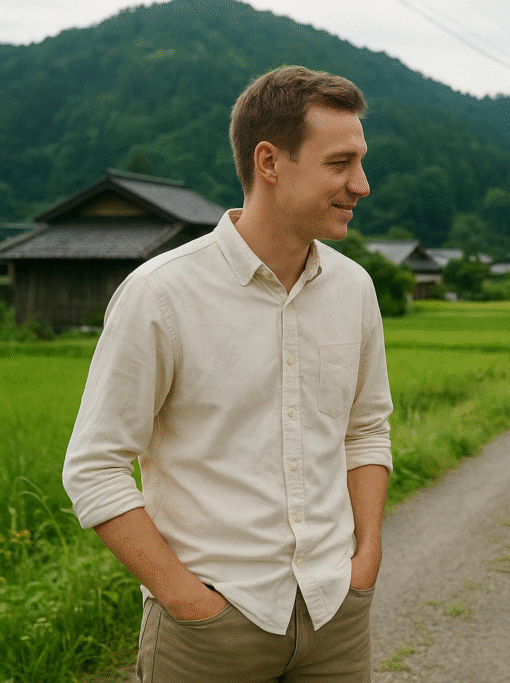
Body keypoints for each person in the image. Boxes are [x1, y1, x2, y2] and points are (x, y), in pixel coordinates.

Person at [63, 66, 393, 683]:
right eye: (340, 163)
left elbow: (366, 431)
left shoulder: (355, 289)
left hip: (334, 616)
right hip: (212, 628)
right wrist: (187, 599)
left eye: (361, 162)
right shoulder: (161, 295)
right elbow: (94, 467)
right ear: (270, 162)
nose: (362, 185)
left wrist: (365, 557)